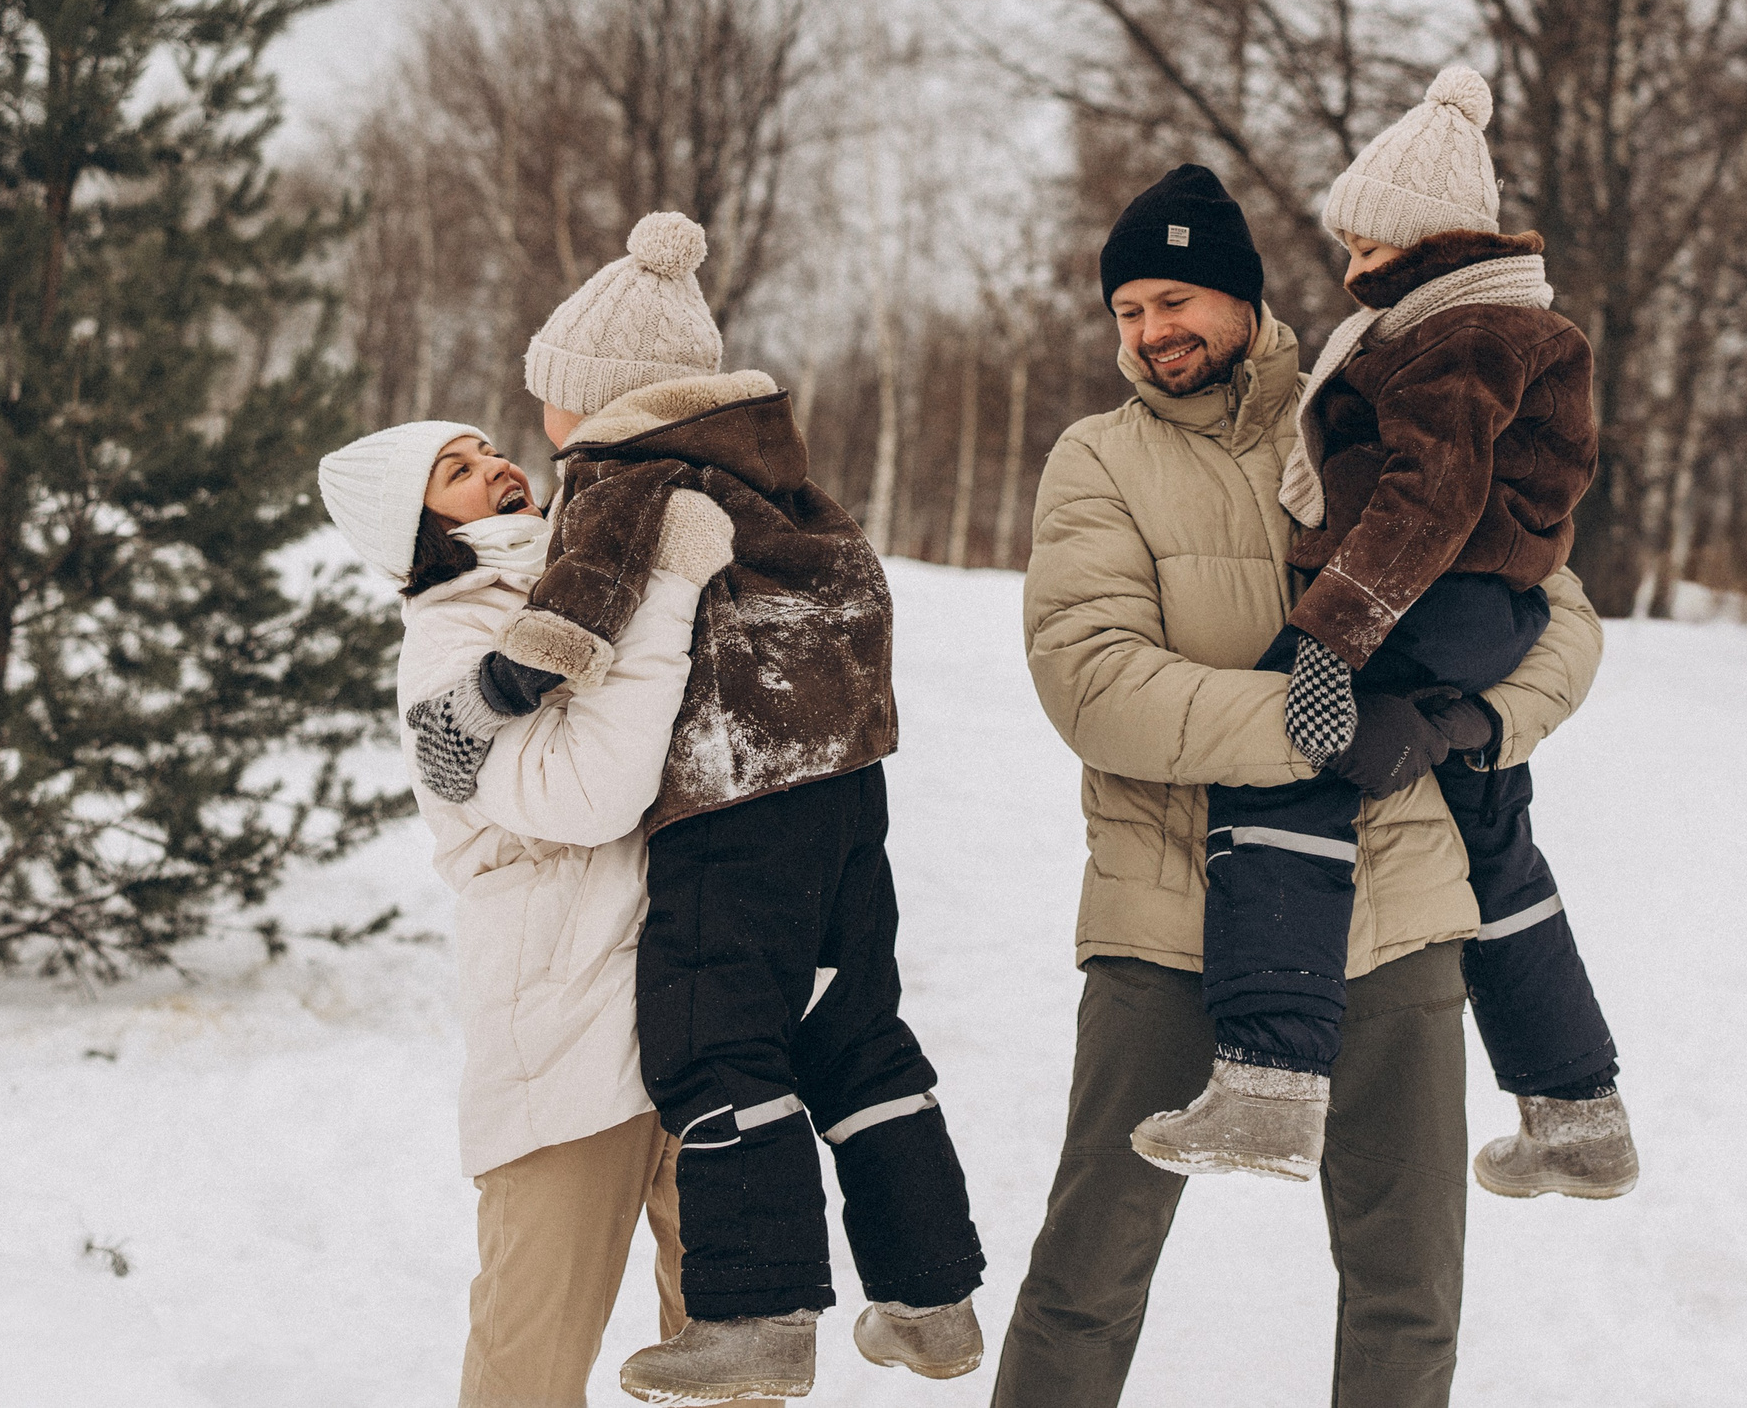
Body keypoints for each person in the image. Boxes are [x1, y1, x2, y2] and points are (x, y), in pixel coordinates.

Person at [996, 160, 1604, 1407]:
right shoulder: (1098, 461)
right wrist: (1319, 721)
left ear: (1243, 298)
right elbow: (1094, 686)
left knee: (1407, 1289)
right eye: (1128, 310)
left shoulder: (1372, 401)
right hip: (1169, 915)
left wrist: (1457, 725)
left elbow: (1563, 619)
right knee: (1088, 1273)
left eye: (1178, 299)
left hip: (1401, 913)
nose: (1153, 330)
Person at [484, 213, 986, 1405]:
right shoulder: (787, 486)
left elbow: (586, 591)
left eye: (553, 398)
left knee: (714, 1039)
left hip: (732, 795)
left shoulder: (629, 470)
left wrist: (515, 675)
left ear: (602, 398)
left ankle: (756, 1314)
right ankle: (933, 1299)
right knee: (855, 1035)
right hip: (845, 798)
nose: (546, 424)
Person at [1133, 65, 1637, 1199]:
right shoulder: (1501, 323)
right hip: (1479, 613)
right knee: (1491, 843)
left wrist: (1330, 639)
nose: (1350, 266)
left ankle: (1267, 1084)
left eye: (1364, 244)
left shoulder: (1456, 334)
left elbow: (1432, 493)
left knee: (1280, 771)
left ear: (1421, 241)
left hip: (1418, 600)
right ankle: (1577, 1112)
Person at [316, 416, 754, 1408]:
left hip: (708, 1008)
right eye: (455, 474)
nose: (495, 469)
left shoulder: (589, 576)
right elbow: (587, 796)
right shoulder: (447, 650)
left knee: (733, 1353)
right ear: (416, 532)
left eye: (487, 451)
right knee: (531, 1361)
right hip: (570, 1040)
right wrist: (667, 593)